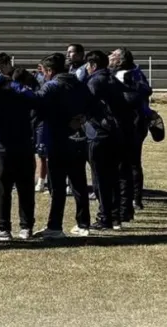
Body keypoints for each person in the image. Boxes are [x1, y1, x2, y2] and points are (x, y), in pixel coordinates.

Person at [31, 53, 94, 238]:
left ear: (50, 70)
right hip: (78, 139)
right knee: (79, 183)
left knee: (57, 186)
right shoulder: (79, 83)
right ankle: (83, 224)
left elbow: (36, 105)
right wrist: (81, 118)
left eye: (43, 71)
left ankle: (55, 226)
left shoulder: (52, 86)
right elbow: (92, 104)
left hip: (58, 139)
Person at [0, 53, 39, 241]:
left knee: (5, 188)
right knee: (21, 188)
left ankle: (8, 227)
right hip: (19, 142)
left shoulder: (3, 89)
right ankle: (21, 227)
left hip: (5, 143)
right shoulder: (24, 89)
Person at [84, 50, 135, 230]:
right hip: (117, 133)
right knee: (113, 177)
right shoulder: (114, 80)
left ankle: (104, 217)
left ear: (93, 66)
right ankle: (115, 216)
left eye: (88, 65)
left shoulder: (95, 81)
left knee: (100, 178)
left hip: (99, 134)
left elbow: (86, 105)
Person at [110, 47, 154, 217]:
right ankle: (129, 197)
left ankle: (135, 198)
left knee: (131, 161)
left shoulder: (130, 74)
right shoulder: (125, 72)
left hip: (134, 122)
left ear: (120, 60)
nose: (110, 57)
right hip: (129, 121)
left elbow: (146, 90)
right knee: (126, 162)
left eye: (113, 56)